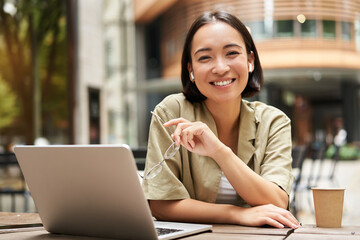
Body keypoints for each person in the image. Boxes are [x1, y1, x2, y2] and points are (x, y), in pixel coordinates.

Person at [142, 11, 299, 229]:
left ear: (250, 61)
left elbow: (277, 201)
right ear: (191, 70)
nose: (220, 68)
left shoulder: (273, 121)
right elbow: (160, 203)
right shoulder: (171, 112)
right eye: (205, 57)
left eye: (232, 53)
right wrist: (237, 214)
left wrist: (220, 151)